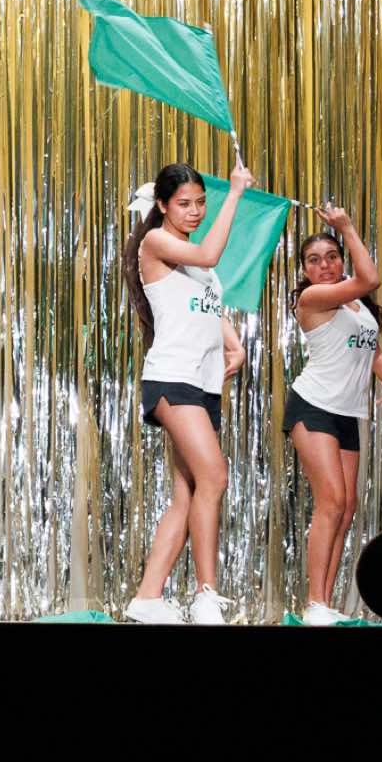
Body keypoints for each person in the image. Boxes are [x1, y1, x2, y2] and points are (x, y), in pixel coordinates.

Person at [122, 163, 251, 626]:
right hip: (173, 379)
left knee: (188, 492)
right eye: (184, 204)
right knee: (214, 476)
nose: (194, 211)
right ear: (162, 205)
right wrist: (234, 193)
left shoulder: (192, 259)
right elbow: (212, 255)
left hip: (203, 383)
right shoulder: (157, 242)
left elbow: (209, 306)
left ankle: (147, 598)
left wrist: (234, 344)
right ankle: (205, 594)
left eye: (200, 203)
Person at [284, 208, 382, 625]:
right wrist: (348, 228)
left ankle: (325, 601)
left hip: (347, 413)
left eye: (331, 256)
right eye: (314, 260)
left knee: (347, 507)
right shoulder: (312, 298)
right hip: (313, 405)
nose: (324, 265)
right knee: (331, 501)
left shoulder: (356, 305)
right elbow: (370, 278)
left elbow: (372, 349)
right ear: (304, 270)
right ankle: (314, 602)